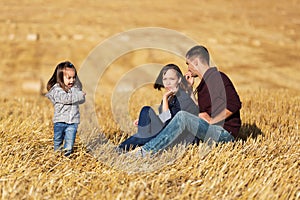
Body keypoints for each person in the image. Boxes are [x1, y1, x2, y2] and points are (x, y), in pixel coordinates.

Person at [132, 45, 242, 156]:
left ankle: (146, 151)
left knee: (182, 116)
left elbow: (234, 104)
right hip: (211, 131)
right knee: (180, 119)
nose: (188, 68)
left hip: (224, 134)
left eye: (188, 64)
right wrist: (190, 91)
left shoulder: (216, 77)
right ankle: (136, 147)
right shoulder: (204, 84)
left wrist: (213, 120)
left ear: (196, 62)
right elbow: (199, 112)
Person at [118, 64, 199, 151]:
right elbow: (164, 119)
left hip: (172, 137)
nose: (167, 83)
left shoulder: (183, 97)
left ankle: (121, 148)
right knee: (146, 111)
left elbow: (168, 122)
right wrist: (147, 120)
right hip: (163, 131)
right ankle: (124, 147)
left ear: (179, 79)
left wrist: (165, 98)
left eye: (171, 79)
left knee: (145, 127)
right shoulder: (171, 97)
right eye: (165, 79)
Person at [45, 61, 86, 156]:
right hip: (60, 121)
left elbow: (81, 101)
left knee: (69, 142)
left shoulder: (75, 89)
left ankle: (66, 157)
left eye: (74, 77)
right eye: (69, 78)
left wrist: (81, 97)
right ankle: (57, 155)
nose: (72, 80)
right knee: (58, 140)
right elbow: (66, 99)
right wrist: (79, 95)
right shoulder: (56, 90)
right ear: (60, 77)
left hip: (72, 122)